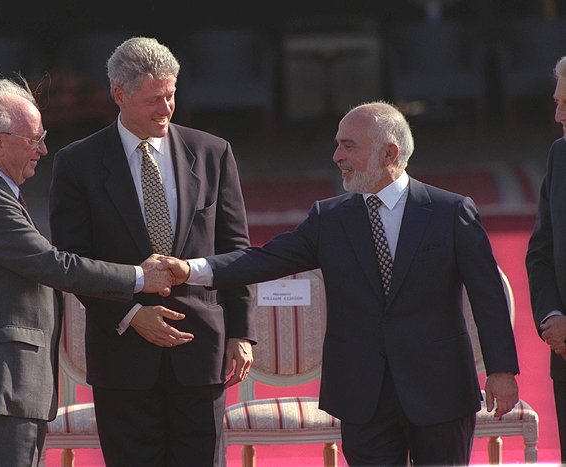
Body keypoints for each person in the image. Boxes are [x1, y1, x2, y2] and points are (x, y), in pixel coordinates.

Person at [161, 101, 521, 466]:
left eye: (349, 146)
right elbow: (263, 259)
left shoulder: (450, 212)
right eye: (337, 145)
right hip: (362, 395)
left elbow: (487, 295)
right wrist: (190, 270)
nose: (337, 156)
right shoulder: (329, 219)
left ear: (389, 153)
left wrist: (501, 370)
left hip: (439, 390)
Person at [0, 77, 180, 467]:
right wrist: (139, 276)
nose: (43, 149)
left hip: (6, 387)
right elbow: (53, 265)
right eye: (34, 139)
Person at [48, 36, 255, 467]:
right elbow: (73, 261)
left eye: (171, 95)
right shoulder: (77, 164)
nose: (166, 109)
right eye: (153, 100)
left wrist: (241, 332)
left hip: (201, 353)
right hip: (123, 360)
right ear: (119, 95)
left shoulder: (213, 153)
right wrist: (129, 314)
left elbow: (236, 250)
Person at [525, 54, 566, 464]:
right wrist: (552, 317)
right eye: (557, 102)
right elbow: (541, 251)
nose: (558, 116)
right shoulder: (560, 156)